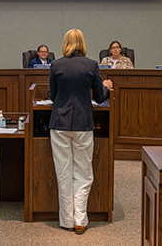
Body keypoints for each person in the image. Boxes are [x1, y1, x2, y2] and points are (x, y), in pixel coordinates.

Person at [49, 29, 113, 234]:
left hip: (59, 123)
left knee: (63, 173)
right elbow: (101, 97)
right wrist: (105, 85)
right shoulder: (91, 64)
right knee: (84, 174)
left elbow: (53, 95)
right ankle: (80, 220)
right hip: (84, 123)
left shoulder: (56, 64)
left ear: (65, 43)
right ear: (82, 43)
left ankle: (67, 220)